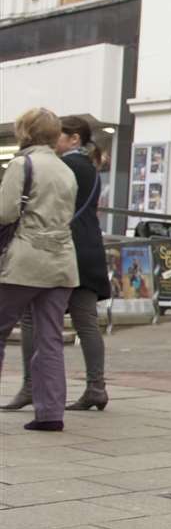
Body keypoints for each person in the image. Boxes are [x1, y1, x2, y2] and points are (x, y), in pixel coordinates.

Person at [2, 116, 113, 413]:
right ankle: (92, 388)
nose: (59, 142)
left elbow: (8, 211)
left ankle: (29, 386)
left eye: (64, 136)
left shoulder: (58, 165)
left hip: (47, 251)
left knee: (29, 321)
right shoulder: (87, 167)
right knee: (81, 324)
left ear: (74, 138)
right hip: (79, 251)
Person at [0, 108, 81, 432]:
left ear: (25, 131)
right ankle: (50, 412)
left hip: (25, 260)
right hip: (62, 261)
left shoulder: (22, 164)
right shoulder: (66, 170)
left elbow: (5, 212)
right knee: (50, 339)